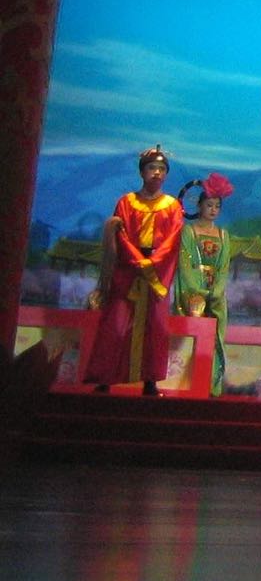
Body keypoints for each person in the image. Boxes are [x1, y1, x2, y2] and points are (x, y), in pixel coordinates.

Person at [84, 147, 185, 396]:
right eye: (152, 168)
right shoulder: (126, 202)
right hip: (128, 270)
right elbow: (120, 235)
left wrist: (152, 264)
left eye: (161, 169)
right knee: (116, 324)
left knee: (155, 327)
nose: (157, 173)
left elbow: (172, 241)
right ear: (142, 172)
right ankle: (105, 378)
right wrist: (138, 260)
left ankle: (150, 380)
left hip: (156, 273)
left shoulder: (172, 206)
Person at [172, 173, 236, 395]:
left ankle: (211, 385)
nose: (213, 210)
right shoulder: (188, 231)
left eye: (217, 206)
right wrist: (196, 291)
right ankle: (186, 383)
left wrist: (216, 290)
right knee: (192, 331)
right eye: (209, 205)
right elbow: (185, 263)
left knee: (215, 335)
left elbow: (223, 266)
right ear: (199, 206)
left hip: (215, 293)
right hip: (193, 292)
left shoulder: (223, 235)